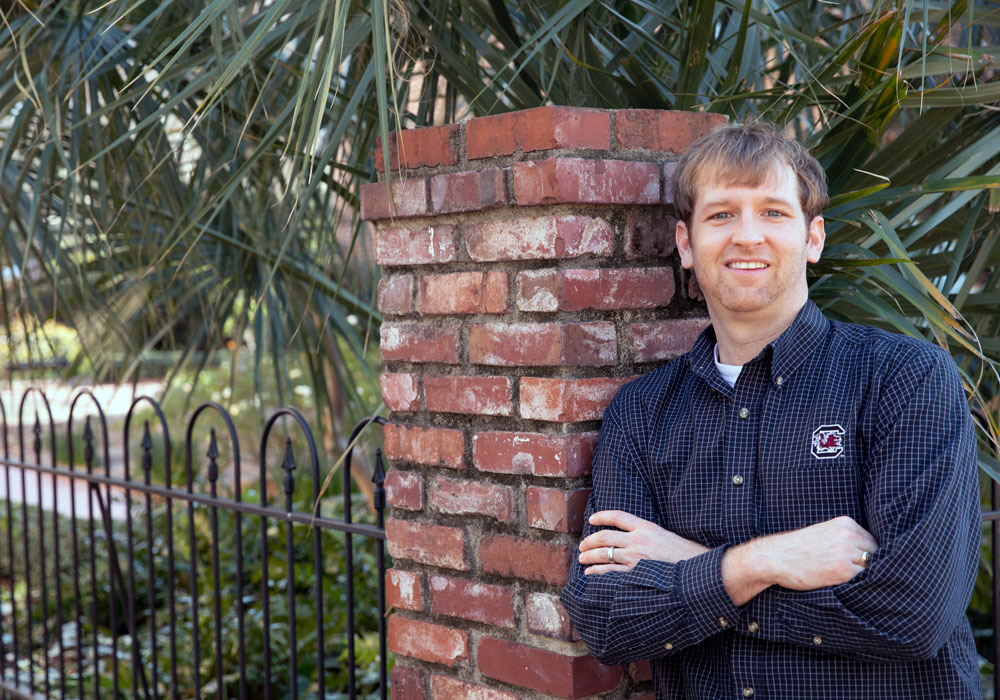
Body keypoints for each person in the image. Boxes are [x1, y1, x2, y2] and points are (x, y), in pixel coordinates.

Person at [560, 121, 981, 699]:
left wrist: (694, 567)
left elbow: (914, 612)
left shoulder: (905, 379)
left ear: (814, 237)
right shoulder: (642, 412)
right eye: (722, 214)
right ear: (686, 244)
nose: (748, 236)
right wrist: (764, 562)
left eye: (774, 213)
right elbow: (607, 621)